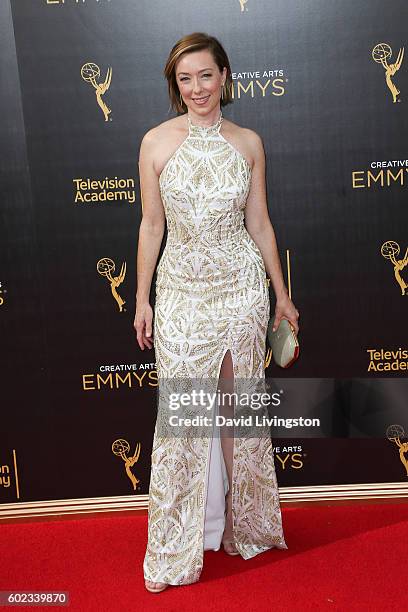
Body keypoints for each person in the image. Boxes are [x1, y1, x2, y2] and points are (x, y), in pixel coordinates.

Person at [134, 32, 299, 593]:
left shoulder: (248, 142)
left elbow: (260, 223)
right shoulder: (155, 143)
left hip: (240, 292)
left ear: (225, 76)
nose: (197, 88)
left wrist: (281, 294)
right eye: (185, 79)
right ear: (174, 85)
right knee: (181, 419)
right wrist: (141, 297)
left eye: (206, 75)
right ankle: (178, 540)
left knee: (236, 412)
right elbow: (151, 225)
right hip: (180, 291)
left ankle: (241, 525)